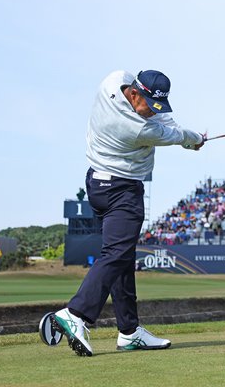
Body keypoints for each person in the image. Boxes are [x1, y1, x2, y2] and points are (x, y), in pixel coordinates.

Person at [53, 70, 205, 357]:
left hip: (97, 183)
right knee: (117, 253)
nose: (152, 112)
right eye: (149, 104)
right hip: (121, 190)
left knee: (121, 256)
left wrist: (182, 133)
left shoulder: (112, 81)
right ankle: (77, 314)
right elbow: (174, 134)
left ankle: (129, 331)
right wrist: (194, 138)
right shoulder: (138, 129)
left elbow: (163, 119)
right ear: (134, 94)